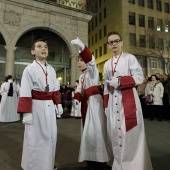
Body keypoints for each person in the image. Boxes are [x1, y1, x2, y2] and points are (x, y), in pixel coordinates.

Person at [103, 31, 153, 170]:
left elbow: (138, 77)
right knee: (115, 132)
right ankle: (119, 163)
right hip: (113, 101)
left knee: (130, 132)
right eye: (110, 42)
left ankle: (133, 164)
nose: (114, 44)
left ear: (121, 43)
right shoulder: (107, 64)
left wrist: (119, 81)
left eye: (116, 41)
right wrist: (106, 104)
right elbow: (106, 87)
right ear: (108, 46)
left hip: (128, 98)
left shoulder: (129, 58)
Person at [17, 39, 63, 170]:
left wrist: (58, 104)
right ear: (33, 51)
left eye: (46, 46)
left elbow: (55, 89)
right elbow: (25, 91)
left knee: (51, 136)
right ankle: (35, 166)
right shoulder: (29, 69)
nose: (44, 48)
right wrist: (26, 112)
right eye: (39, 46)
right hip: (35, 107)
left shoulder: (52, 69)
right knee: (36, 138)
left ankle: (48, 165)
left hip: (49, 107)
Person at [71, 37, 109, 170]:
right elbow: (79, 90)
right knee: (87, 132)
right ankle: (90, 159)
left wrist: (82, 47)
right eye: (78, 60)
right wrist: (76, 98)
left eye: (81, 60)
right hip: (87, 105)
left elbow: (92, 61)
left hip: (94, 105)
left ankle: (100, 161)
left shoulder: (92, 73)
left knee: (95, 131)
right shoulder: (82, 76)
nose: (79, 63)